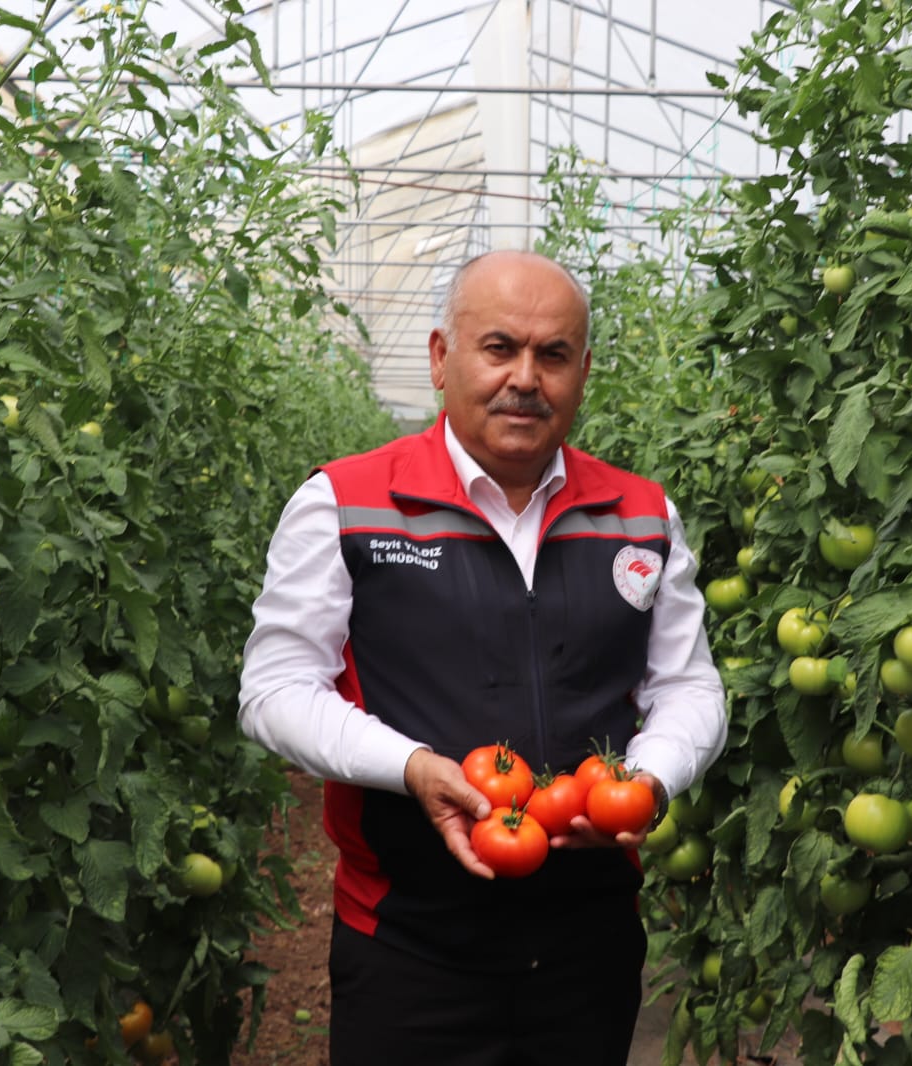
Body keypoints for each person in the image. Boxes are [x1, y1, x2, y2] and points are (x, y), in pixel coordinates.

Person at [238, 249, 726, 1066]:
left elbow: (687, 685)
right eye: (499, 348)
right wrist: (411, 767)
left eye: (554, 354)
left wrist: (648, 780)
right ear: (442, 358)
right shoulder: (347, 503)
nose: (525, 378)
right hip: (408, 946)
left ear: (583, 373)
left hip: (589, 946)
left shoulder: (641, 515)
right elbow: (275, 690)